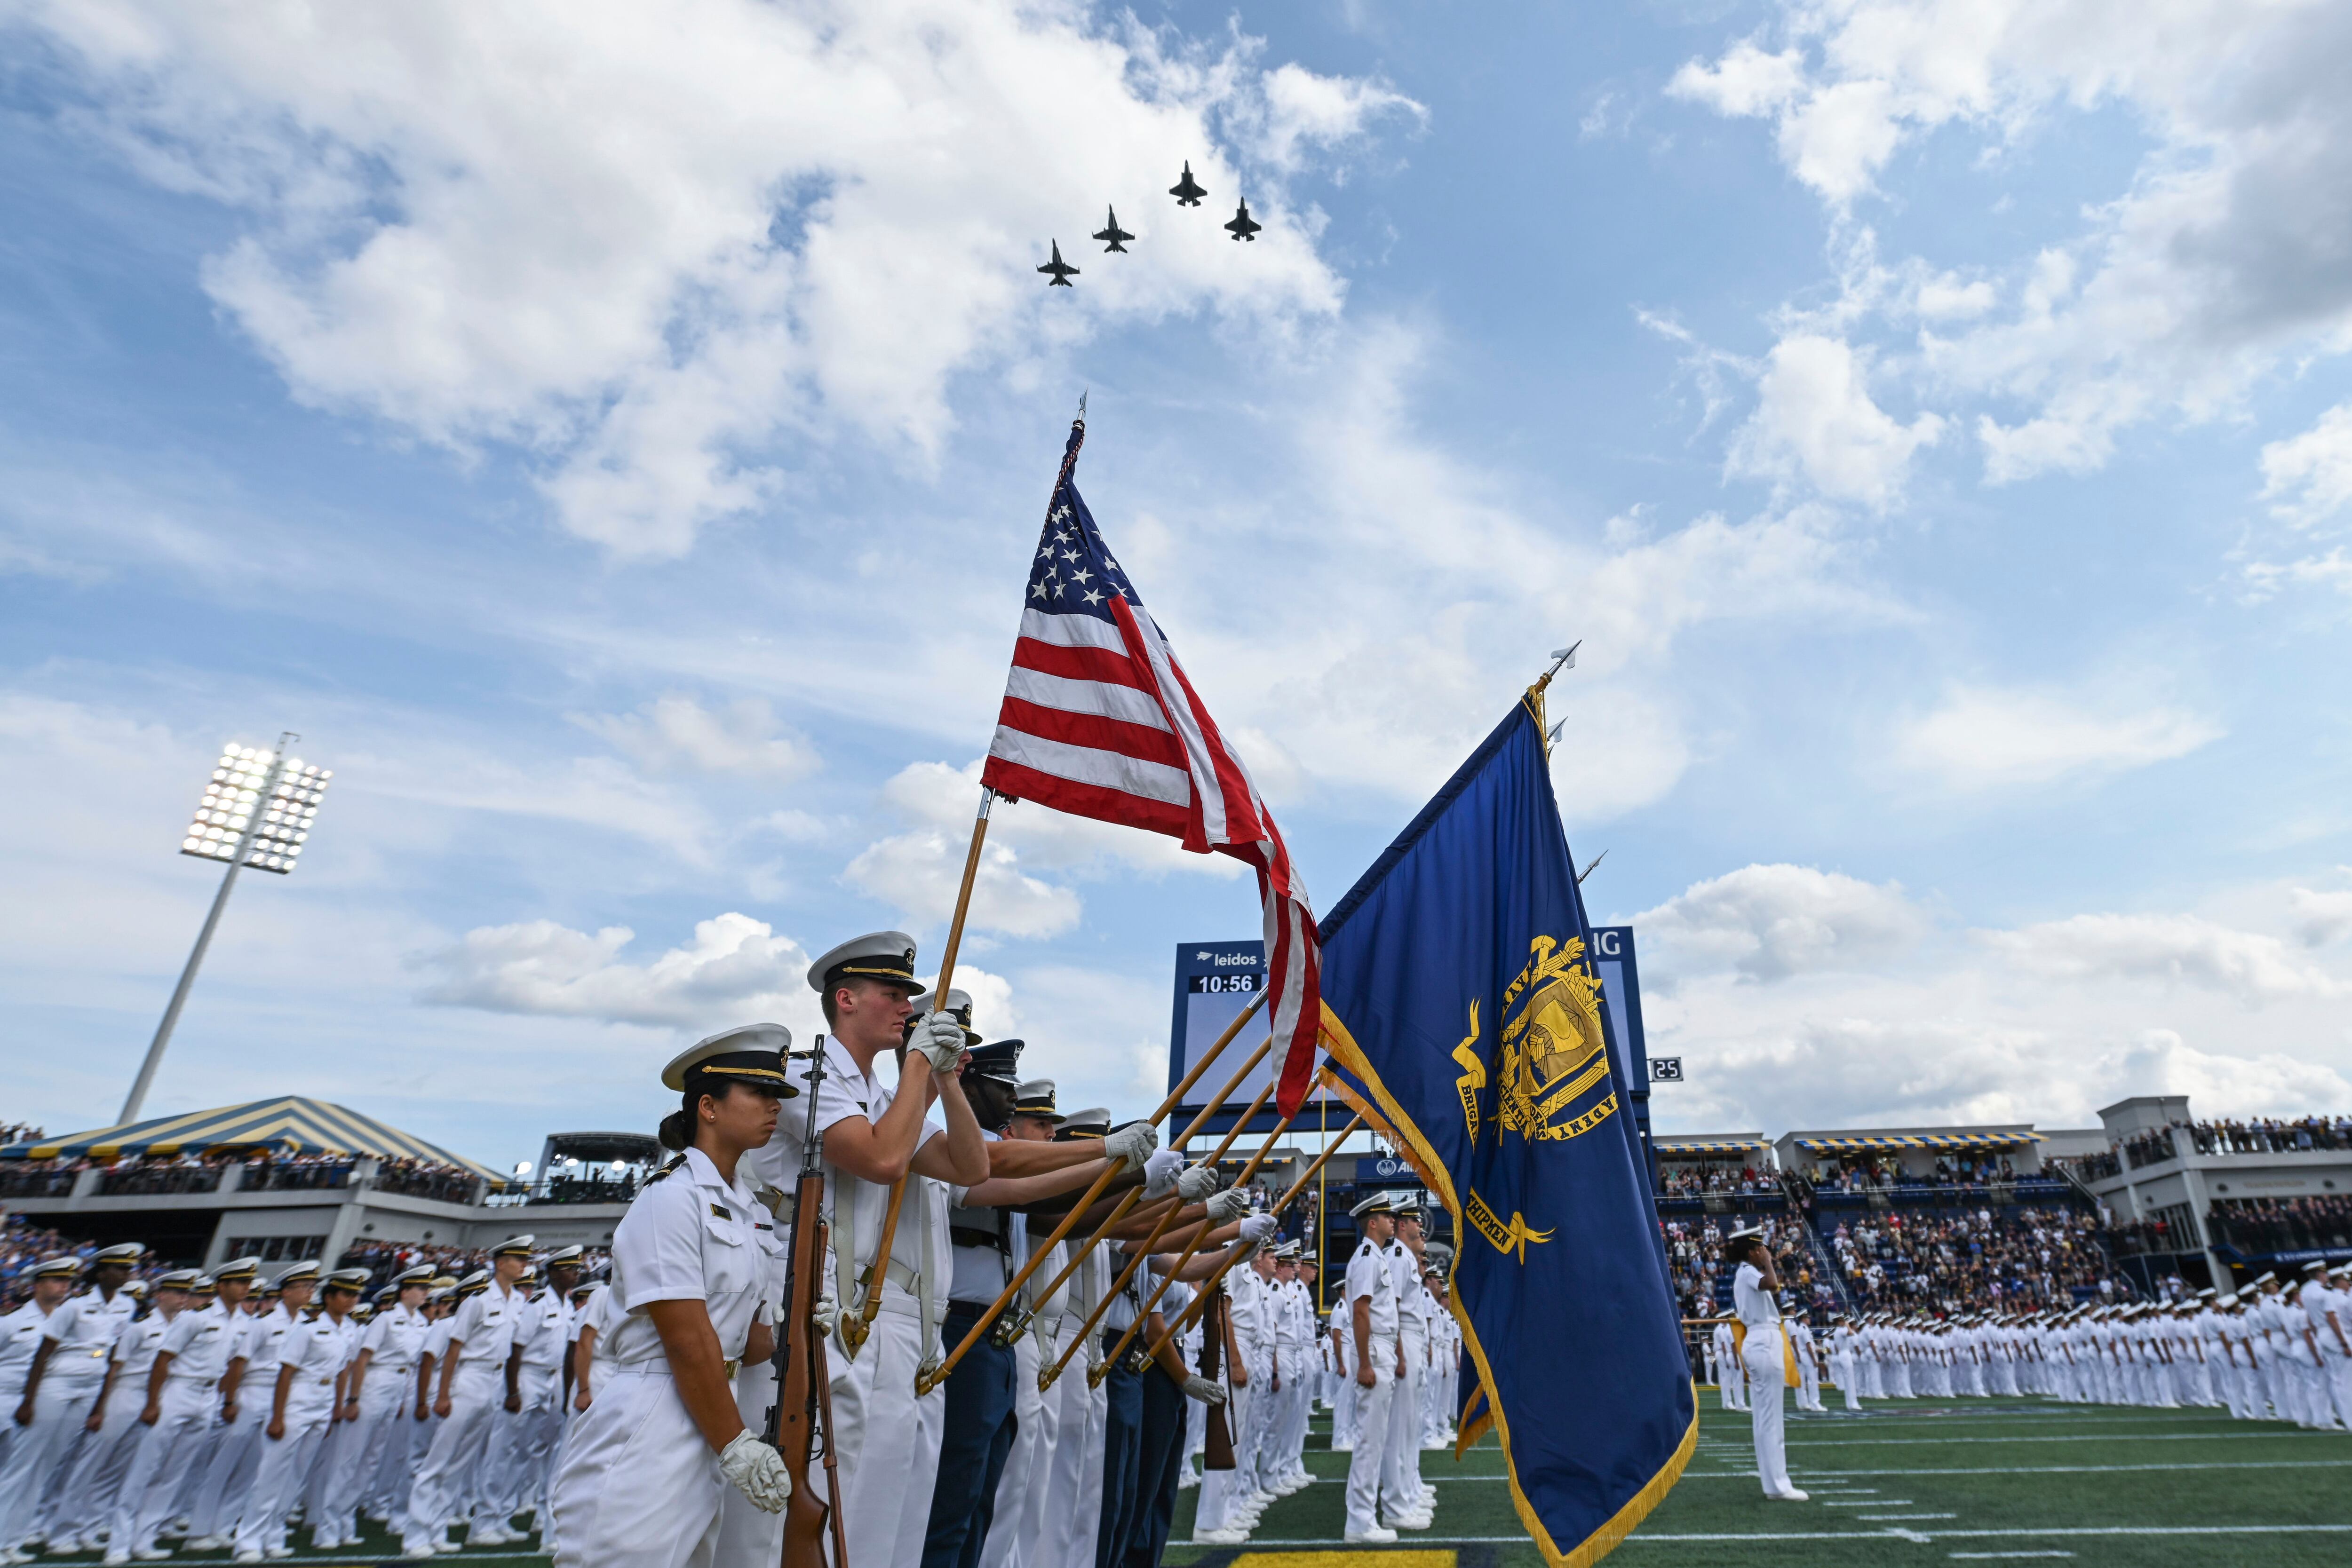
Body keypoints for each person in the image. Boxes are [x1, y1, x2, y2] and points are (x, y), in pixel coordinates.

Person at [735, 934, 994, 1568]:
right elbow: (881, 1158)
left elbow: (972, 1165)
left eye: (908, 992)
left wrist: (942, 1081)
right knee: (800, 1506)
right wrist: (915, 1070)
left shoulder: (885, 1096)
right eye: (893, 993)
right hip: (801, 1298)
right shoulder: (808, 1074)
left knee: (878, 1504)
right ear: (845, 999)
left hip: (856, 1312)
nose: (906, 1004)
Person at [547, 1026, 797, 1568]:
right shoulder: (671, 1197)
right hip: (654, 1412)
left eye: (776, 1096)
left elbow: (746, 1343)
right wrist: (735, 1441)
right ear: (708, 1106)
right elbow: (685, 1340)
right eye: (758, 1093)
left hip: (713, 1412)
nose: (773, 1106)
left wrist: (802, 1324)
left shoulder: (748, 1208)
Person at [0, 1246, 144, 1561]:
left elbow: (110, 1350)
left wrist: (98, 1405)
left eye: (129, 1270)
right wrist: (28, 1401)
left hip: (89, 1384)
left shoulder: (125, 1306)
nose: (126, 1275)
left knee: (47, 1467)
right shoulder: (76, 1307)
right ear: (102, 1272)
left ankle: (12, 1540)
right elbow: (43, 1354)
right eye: (119, 1269)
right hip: (57, 1383)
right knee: (22, 1465)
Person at [51, 1270, 195, 1556]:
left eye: (186, 1294)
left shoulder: (180, 1327)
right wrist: (100, 1408)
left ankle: (90, 1527)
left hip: (153, 1397)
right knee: (90, 1466)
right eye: (177, 1293)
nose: (182, 1299)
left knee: (118, 1469)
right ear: (160, 1295)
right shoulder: (139, 1326)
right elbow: (113, 1368)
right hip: (124, 1394)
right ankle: (61, 1533)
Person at [232, 1267, 367, 1562]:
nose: (352, 1300)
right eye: (346, 1294)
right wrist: (278, 1417)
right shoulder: (306, 1329)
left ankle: (274, 1535)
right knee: (272, 1473)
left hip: (323, 1402)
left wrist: (334, 1411)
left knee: (296, 1475)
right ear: (329, 1298)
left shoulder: (349, 1330)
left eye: (356, 1295)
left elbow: (343, 1371)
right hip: (298, 1400)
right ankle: (249, 1540)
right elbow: (286, 1374)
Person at [1339, 1192, 1406, 1544]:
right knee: (1369, 1439)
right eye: (1387, 1216)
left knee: (1375, 1438)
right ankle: (1360, 1522)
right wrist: (1365, 1362)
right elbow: (1361, 1311)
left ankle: (1364, 1518)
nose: (1393, 1220)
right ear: (1372, 1222)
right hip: (1374, 1353)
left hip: (1380, 1350)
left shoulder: (1375, 1257)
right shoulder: (1367, 1258)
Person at [1727, 1228, 1805, 1503]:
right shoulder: (1748, 1271)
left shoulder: (1745, 1272)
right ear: (1752, 1251)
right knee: (1770, 1418)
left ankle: (1774, 1483)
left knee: (1765, 1417)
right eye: (1761, 1249)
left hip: (1759, 1340)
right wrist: (1770, 1263)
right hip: (1763, 1340)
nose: (1765, 1253)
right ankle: (1778, 1486)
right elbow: (1772, 1284)